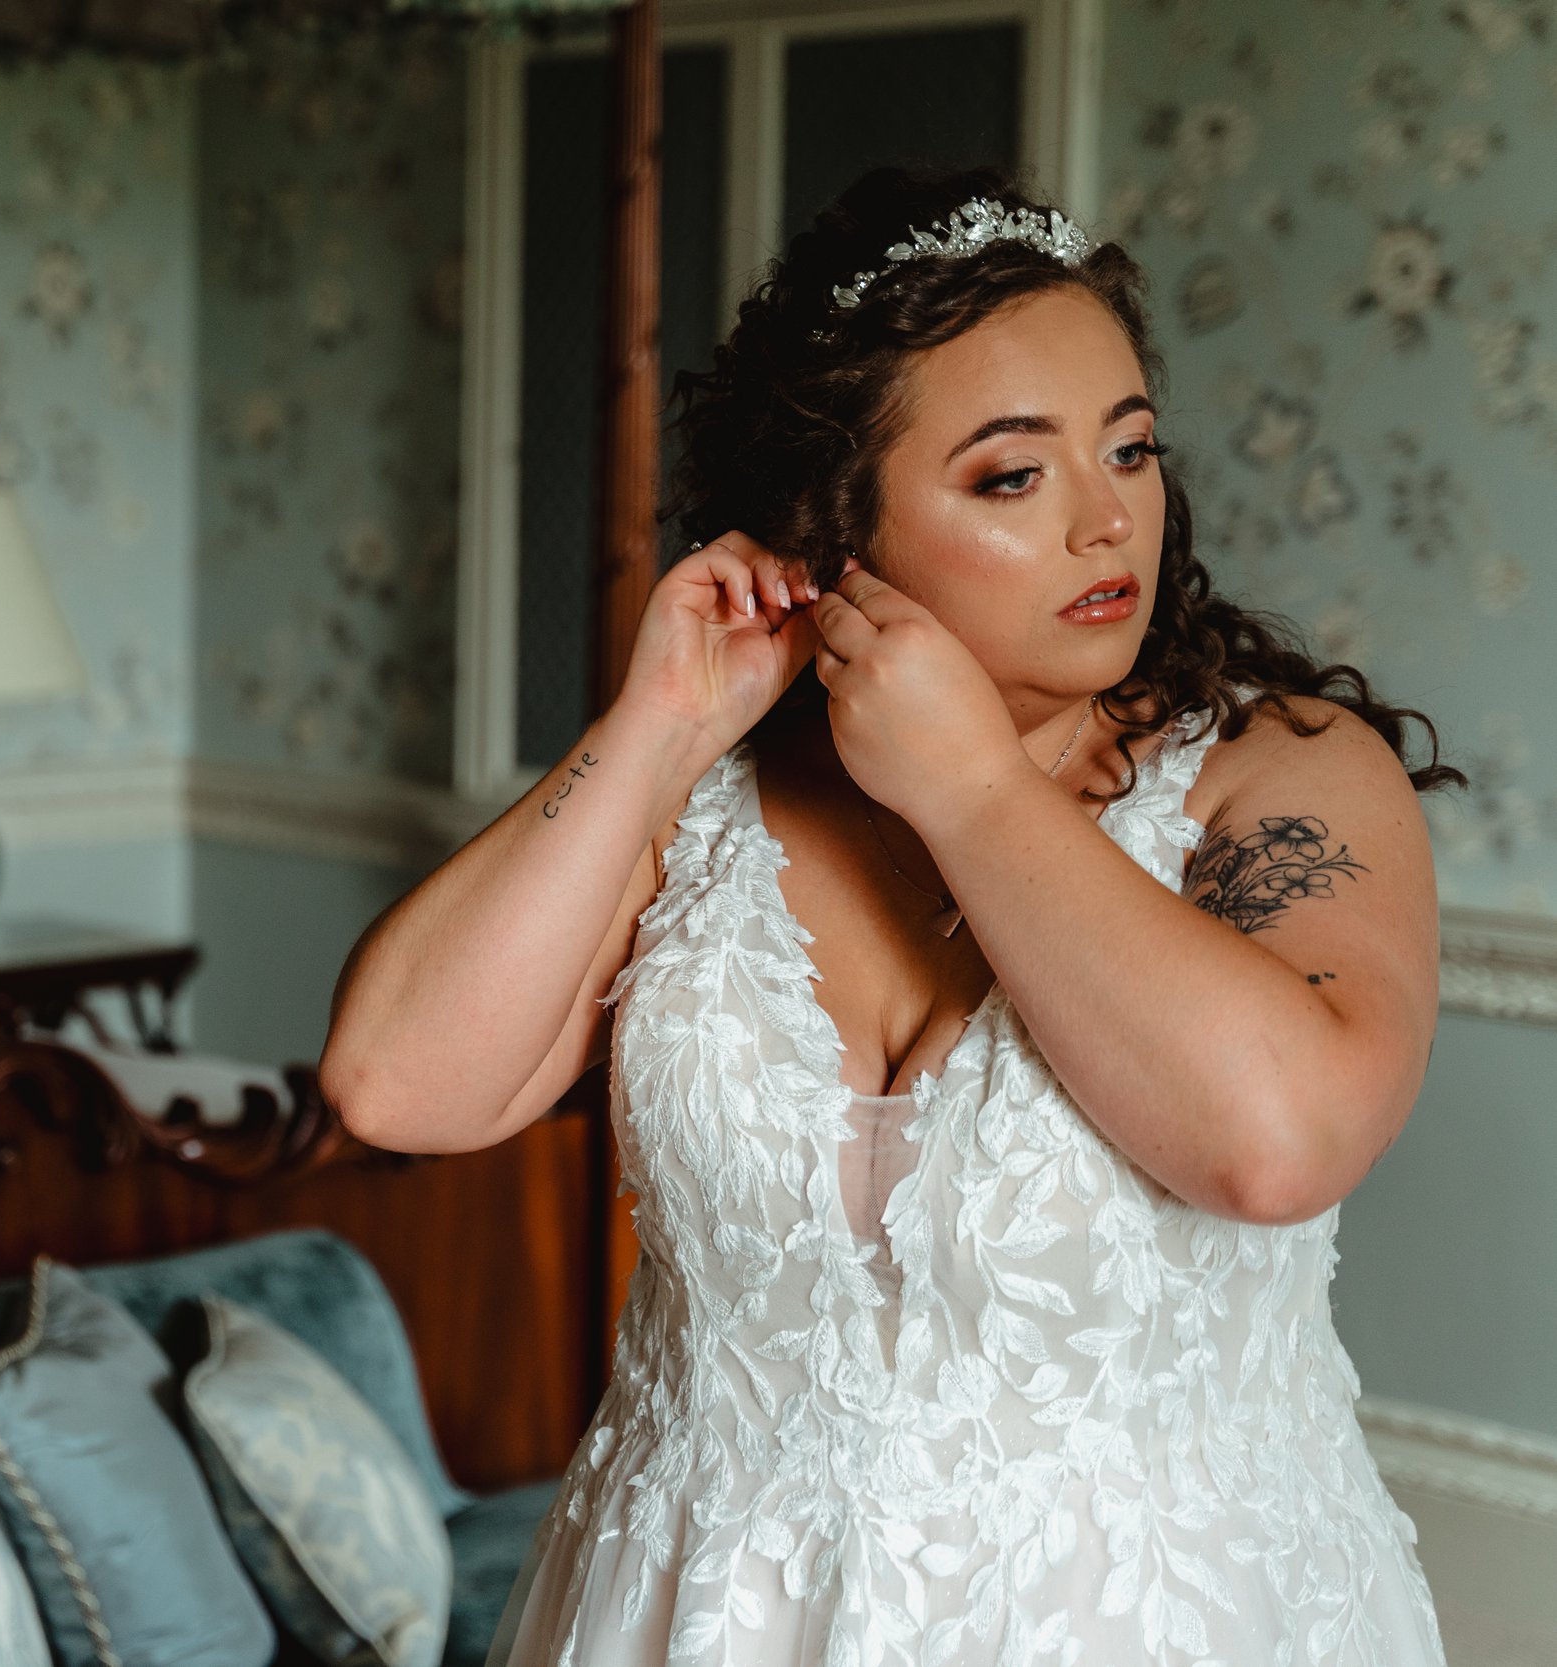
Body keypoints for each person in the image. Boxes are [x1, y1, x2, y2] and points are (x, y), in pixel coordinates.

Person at [318, 167, 1458, 1665]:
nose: (1108, 523)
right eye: (1011, 476)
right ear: (836, 526)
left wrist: (977, 793)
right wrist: (659, 727)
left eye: (1131, 450)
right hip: (705, 1614)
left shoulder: (1281, 775)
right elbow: (396, 1086)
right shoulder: (698, 806)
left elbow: (1276, 1141)